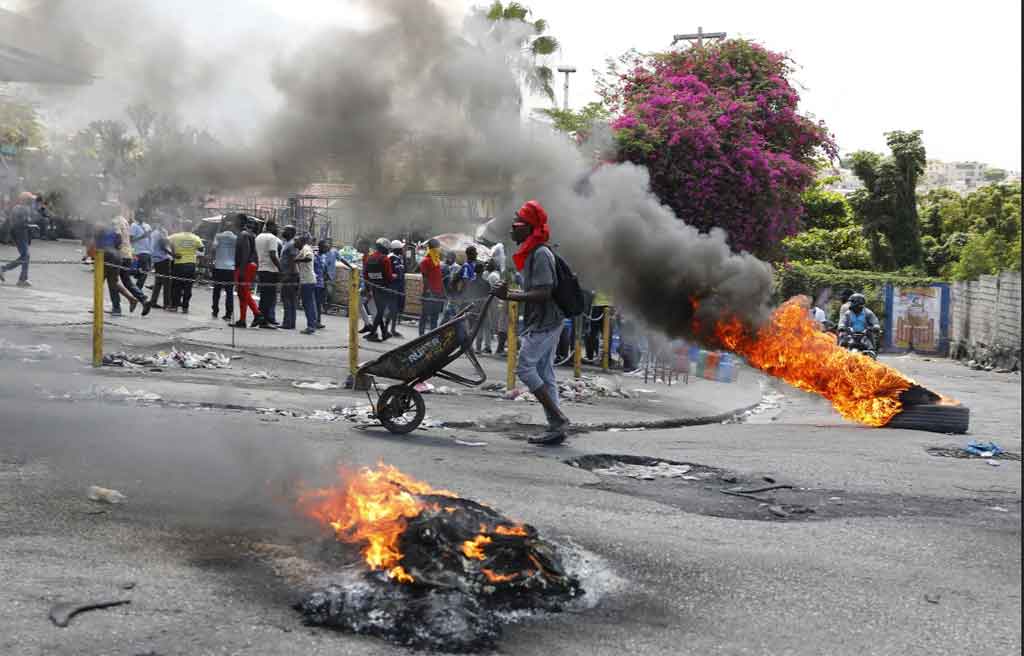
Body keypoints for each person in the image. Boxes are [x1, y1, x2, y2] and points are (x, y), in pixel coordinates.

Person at [493, 200, 570, 446]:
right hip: (543, 319)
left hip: (547, 321)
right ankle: (556, 426)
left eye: (515, 225)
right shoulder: (532, 253)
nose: (511, 230)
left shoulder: (541, 254)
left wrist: (511, 295)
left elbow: (544, 292)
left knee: (525, 368)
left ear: (529, 227)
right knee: (545, 373)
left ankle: (558, 418)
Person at [230, 214, 271, 329]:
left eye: (236, 220)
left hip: (245, 266)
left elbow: (246, 252)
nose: (234, 223)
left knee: (244, 292)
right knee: (242, 293)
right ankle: (243, 319)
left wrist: (242, 270)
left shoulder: (244, 234)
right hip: (248, 265)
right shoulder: (250, 235)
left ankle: (258, 314)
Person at [112, 213, 148, 312]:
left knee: (113, 281)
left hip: (120, 255)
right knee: (126, 280)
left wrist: (113, 250)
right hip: (128, 254)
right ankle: (143, 298)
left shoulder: (115, 221)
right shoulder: (124, 220)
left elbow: (118, 238)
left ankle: (116, 307)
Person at [167, 220, 203, 314]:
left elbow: (163, 241)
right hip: (191, 265)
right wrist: (192, 247)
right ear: (191, 228)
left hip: (179, 264)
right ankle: (185, 307)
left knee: (176, 286)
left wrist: (172, 253)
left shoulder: (176, 236)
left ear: (183, 226)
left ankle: (174, 306)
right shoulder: (196, 238)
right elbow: (201, 248)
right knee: (188, 286)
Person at [363, 238, 395, 342]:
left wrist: (368, 289)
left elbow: (365, 275)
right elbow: (389, 277)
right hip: (384, 288)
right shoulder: (385, 259)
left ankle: (384, 333)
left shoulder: (370, 258)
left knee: (379, 311)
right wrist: (395, 277)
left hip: (374, 288)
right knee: (381, 312)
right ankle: (372, 333)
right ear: (384, 248)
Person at [1, 192, 34, 286]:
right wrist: (29, 223)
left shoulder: (18, 208)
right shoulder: (22, 209)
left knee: (26, 256)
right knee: (26, 256)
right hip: (20, 234)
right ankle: (4, 269)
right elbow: (21, 222)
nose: (31, 201)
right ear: (26, 200)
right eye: (30, 199)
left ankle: (23, 278)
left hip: (19, 234)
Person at [255, 223, 282, 324]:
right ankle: (264, 321)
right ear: (271, 227)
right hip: (271, 271)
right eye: (276, 227)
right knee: (269, 298)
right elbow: (273, 255)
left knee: (263, 296)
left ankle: (259, 317)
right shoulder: (272, 238)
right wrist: (281, 269)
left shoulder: (258, 237)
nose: (278, 229)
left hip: (261, 269)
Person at [210, 218, 237, 321]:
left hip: (219, 267)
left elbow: (213, 248)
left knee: (216, 290)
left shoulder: (218, 236)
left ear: (224, 227)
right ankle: (228, 314)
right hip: (230, 268)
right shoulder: (236, 238)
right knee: (229, 292)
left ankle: (215, 310)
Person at [145, 222, 173, 313]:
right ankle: (167, 304)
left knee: (158, 281)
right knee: (166, 282)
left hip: (156, 259)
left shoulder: (154, 233)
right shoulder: (161, 232)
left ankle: (153, 301)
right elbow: (163, 245)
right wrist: (173, 255)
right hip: (163, 259)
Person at [418, 238, 444, 335]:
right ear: (432, 248)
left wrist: (441, 292)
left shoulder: (436, 260)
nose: (438, 249)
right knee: (424, 315)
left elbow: (438, 277)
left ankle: (432, 336)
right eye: (437, 247)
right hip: (430, 293)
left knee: (435, 317)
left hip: (438, 293)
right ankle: (421, 335)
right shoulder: (425, 261)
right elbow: (425, 278)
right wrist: (427, 291)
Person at [294, 234, 319, 335]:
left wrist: (297, 260)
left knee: (308, 303)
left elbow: (308, 258)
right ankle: (312, 324)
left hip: (307, 281)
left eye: (297, 240)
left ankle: (311, 326)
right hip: (308, 280)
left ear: (301, 241)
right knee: (309, 303)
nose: (295, 242)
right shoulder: (304, 249)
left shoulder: (306, 248)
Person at [474, 259, 501, 353]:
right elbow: (489, 294)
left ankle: (478, 348)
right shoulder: (487, 282)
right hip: (486, 307)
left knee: (479, 327)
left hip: (476, 308)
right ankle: (487, 347)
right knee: (486, 327)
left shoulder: (473, 282)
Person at [278, 225, 298, 330]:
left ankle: (287, 323)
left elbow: (293, 260)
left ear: (291, 232)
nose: (283, 231)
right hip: (289, 274)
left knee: (287, 299)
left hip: (289, 275)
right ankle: (290, 323)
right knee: (290, 300)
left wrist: (288, 274)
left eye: (285, 230)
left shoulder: (291, 244)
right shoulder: (287, 243)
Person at [586, 290, 613, 363]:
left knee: (593, 333)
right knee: (606, 334)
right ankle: (606, 358)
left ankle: (590, 357)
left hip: (598, 304)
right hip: (606, 304)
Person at [387, 239, 406, 338]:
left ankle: (393, 329)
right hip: (393, 287)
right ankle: (387, 328)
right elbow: (389, 273)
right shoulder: (390, 258)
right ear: (397, 249)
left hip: (400, 287)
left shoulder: (399, 258)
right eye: (401, 248)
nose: (403, 249)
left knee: (397, 308)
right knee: (392, 309)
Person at [129, 210, 153, 289]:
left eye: (143, 215)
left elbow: (150, 239)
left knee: (143, 272)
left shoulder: (147, 226)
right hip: (139, 252)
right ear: (136, 216)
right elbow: (131, 240)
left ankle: (137, 289)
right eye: (140, 215)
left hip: (148, 252)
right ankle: (137, 290)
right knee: (144, 271)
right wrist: (142, 236)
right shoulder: (134, 226)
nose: (141, 217)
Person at [320, 239, 339, 315]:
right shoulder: (322, 252)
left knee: (330, 293)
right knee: (323, 292)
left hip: (331, 276)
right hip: (322, 275)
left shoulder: (334, 251)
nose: (328, 245)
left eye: (329, 243)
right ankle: (322, 307)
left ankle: (327, 308)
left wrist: (350, 266)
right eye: (327, 244)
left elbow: (341, 259)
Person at [313, 241, 327, 329]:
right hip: (315, 282)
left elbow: (324, 269)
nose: (326, 249)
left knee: (319, 303)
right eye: (325, 247)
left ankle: (318, 321)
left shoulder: (324, 257)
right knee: (315, 303)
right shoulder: (315, 256)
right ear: (320, 247)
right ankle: (315, 321)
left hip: (321, 283)